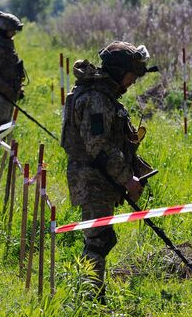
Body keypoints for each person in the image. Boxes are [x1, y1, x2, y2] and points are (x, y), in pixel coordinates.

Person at [60, 41, 158, 300]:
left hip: (101, 179)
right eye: (130, 75)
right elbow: (100, 147)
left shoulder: (103, 95)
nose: (132, 81)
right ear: (118, 71)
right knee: (98, 239)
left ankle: (91, 293)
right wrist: (128, 180)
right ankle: (88, 298)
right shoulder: (96, 100)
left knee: (100, 238)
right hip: (93, 181)